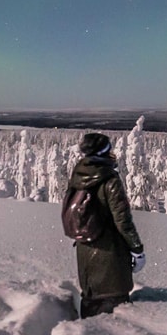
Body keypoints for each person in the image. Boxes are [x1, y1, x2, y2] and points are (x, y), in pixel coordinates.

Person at [66, 132, 145, 318]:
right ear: (104, 152)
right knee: (116, 316)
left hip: (85, 251)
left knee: (90, 304)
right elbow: (123, 220)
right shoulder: (109, 180)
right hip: (110, 256)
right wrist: (137, 249)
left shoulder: (79, 176)